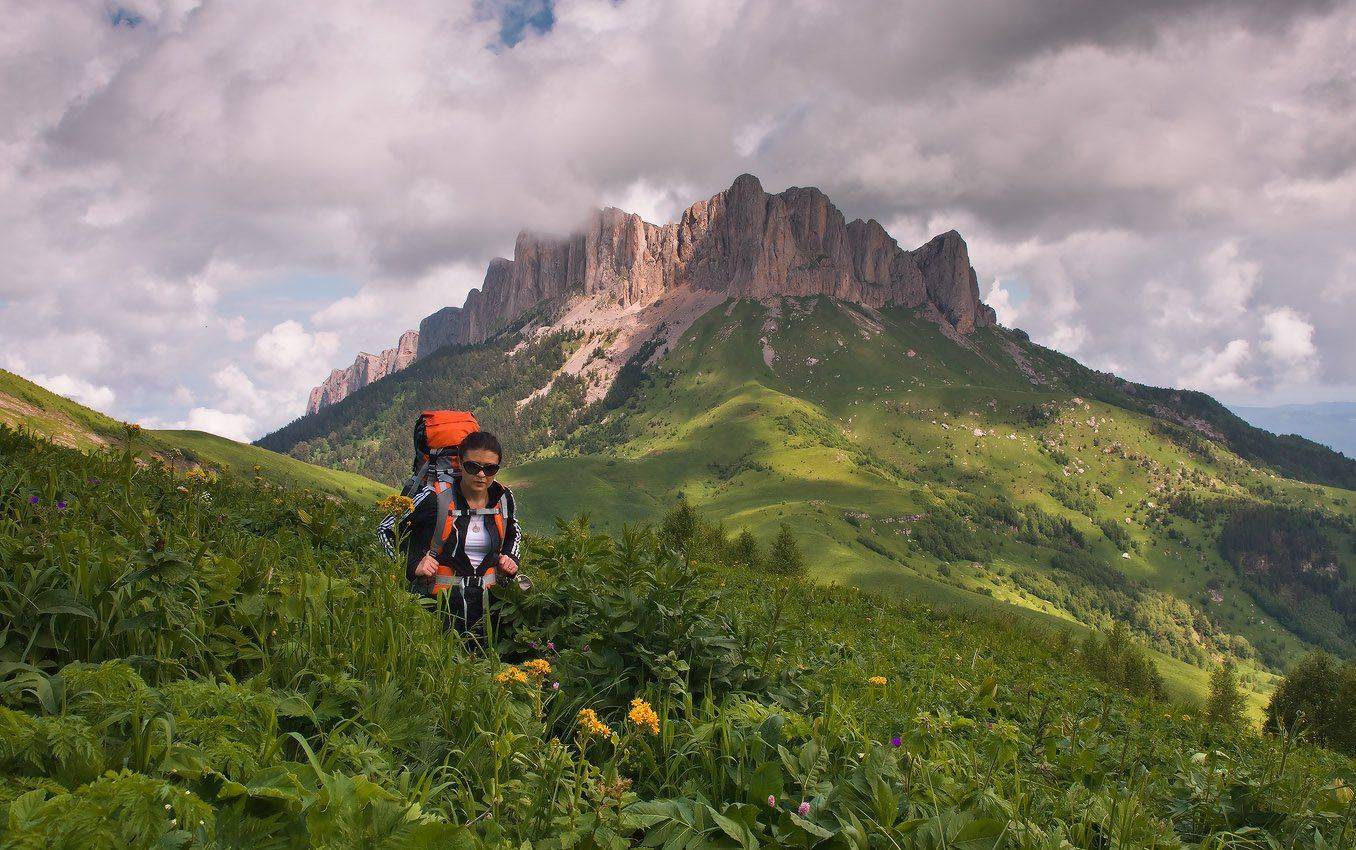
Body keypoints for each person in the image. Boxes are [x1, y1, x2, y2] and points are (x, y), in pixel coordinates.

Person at [382, 430, 522, 639]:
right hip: (439, 610)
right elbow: (386, 529)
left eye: (490, 468)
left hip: (492, 609)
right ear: (460, 463)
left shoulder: (503, 498)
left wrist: (510, 557)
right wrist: (413, 565)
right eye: (473, 466)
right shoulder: (435, 498)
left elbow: (513, 530)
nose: (481, 474)